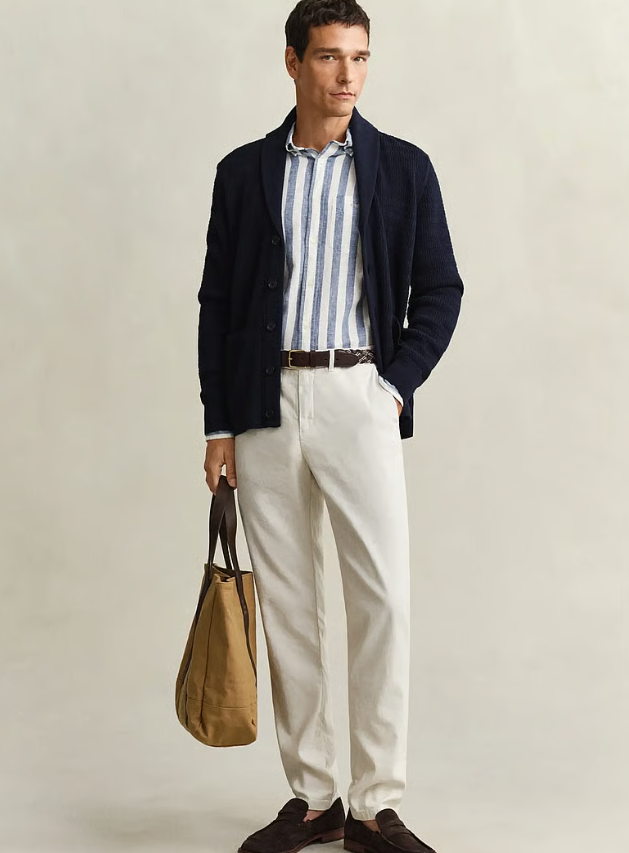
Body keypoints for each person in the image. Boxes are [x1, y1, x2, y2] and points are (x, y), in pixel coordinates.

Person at [197, 2, 464, 851]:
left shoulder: (403, 168)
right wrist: (218, 423)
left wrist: (392, 387)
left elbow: (440, 290)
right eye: (327, 57)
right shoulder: (243, 173)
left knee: (380, 597)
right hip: (263, 402)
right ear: (292, 62)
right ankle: (313, 796)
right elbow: (217, 304)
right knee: (289, 602)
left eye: (359, 56)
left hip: (358, 393)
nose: (347, 74)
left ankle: (376, 804)